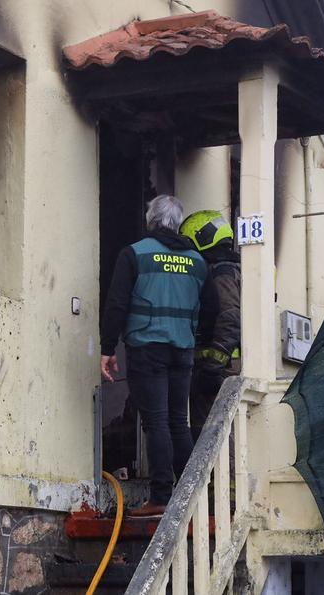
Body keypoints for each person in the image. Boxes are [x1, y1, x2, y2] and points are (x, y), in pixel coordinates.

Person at [100, 194, 207, 517]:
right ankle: (193, 498)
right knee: (179, 422)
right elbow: (212, 308)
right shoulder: (198, 262)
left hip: (147, 349)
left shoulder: (135, 254)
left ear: (151, 221)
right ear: (178, 222)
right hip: (183, 350)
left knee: (157, 421)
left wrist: (107, 348)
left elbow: (117, 302)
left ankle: (161, 497)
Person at [179, 210, 241, 441]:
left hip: (221, 366)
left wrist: (214, 364)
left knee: (213, 430)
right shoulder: (238, 268)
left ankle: (220, 478)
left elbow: (230, 317)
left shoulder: (221, 273)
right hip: (224, 364)